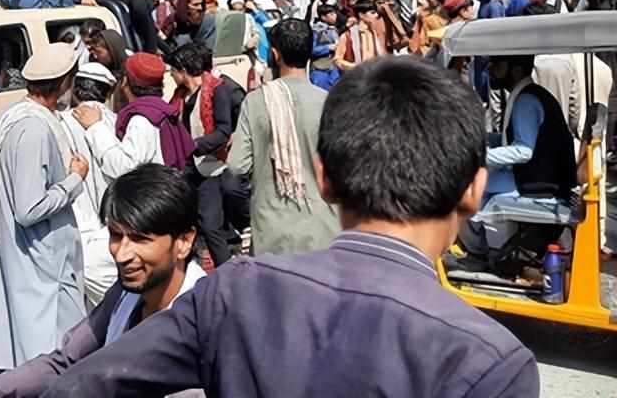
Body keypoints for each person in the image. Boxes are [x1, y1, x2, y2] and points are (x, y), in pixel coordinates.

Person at [40, 57, 539, 398]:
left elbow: (89, 382)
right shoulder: (491, 361)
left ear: (324, 178)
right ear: (475, 188)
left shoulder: (235, 291)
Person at [0, 164, 204, 398]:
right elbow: (65, 361)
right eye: (116, 236)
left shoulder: (204, 322)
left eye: (140, 239)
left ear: (183, 242)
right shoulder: (126, 294)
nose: (122, 254)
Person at [0, 42, 88, 370]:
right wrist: (74, 180)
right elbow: (29, 209)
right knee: (52, 354)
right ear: (64, 82)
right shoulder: (33, 129)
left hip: (38, 258)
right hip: (42, 261)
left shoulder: (15, 116)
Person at [452, 55, 577, 272]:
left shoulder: (526, 101)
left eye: (497, 65)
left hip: (538, 183)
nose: (490, 70)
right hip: (539, 176)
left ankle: (477, 254)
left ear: (516, 70)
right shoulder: (530, 95)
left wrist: (483, 156)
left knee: (464, 192)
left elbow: (523, 150)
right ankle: (486, 250)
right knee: (479, 186)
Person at [228, 19, 340, 256]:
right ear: (310, 53)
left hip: (272, 233)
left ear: (275, 54)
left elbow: (237, 165)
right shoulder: (329, 103)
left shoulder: (257, 101)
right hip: (324, 231)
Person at [169, 41, 248, 267]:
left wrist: (196, 145)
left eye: (174, 71)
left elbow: (223, 130)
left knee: (211, 223)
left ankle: (225, 272)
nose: (172, 76)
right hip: (190, 166)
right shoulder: (179, 96)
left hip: (212, 164)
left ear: (183, 70)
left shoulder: (217, 90)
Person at [57, 62, 120, 307]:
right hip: (115, 229)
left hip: (80, 234)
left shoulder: (58, 123)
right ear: (108, 93)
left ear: (74, 90)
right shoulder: (118, 123)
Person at [74, 53, 186, 177]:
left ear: (125, 82)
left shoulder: (142, 120)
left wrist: (95, 128)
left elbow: (124, 167)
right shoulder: (160, 110)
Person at [334, 0, 383, 72]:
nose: (376, 15)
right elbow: (337, 60)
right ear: (361, 15)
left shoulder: (373, 33)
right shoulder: (348, 36)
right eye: (372, 13)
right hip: (356, 77)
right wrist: (354, 67)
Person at [309, 4, 341, 90]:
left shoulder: (333, 29)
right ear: (323, 17)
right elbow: (311, 50)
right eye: (331, 14)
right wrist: (328, 48)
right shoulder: (317, 31)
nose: (335, 16)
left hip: (334, 68)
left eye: (335, 13)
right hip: (320, 69)